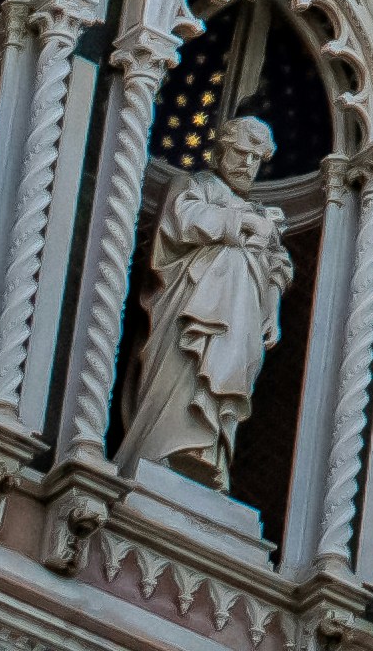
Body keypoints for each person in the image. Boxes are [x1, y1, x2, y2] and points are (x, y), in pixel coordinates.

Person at [134, 105, 300, 484]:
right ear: (221, 151)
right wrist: (242, 224)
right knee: (188, 372)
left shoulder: (264, 213)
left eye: (257, 159)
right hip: (192, 309)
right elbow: (183, 221)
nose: (248, 164)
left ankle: (208, 451)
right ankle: (171, 442)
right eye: (242, 154)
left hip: (240, 323)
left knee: (226, 379)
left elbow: (278, 267)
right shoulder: (196, 187)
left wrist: (271, 312)